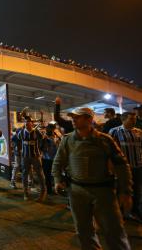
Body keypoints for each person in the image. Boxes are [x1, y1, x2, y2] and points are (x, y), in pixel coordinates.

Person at [53, 107, 132, 250]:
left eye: (78, 117)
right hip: (76, 192)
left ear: (89, 119)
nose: (73, 119)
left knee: (114, 231)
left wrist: (125, 191)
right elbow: (58, 162)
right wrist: (57, 180)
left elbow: (121, 165)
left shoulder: (105, 140)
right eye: (73, 117)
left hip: (103, 192)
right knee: (84, 232)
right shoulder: (67, 140)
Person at [109, 112, 142, 222]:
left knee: (137, 190)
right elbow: (110, 151)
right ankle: (121, 212)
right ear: (123, 120)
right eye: (131, 119)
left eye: (135, 119)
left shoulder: (138, 132)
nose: (134, 121)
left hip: (137, 166)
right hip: (123, 169)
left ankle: (134, 211)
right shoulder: (115, 131)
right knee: (122, 191)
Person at [17, 116, 47, 202]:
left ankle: (43, 192)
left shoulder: (36, 131)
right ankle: (26, 192)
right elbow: (18, 138)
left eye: (28, 122)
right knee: (24, 174)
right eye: (25, 122)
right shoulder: (22, 132)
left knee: (40, 174)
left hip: (35, 157)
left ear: (31, 123)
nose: (26, 123)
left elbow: (42, 138)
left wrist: (41, 151)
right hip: (25, 157)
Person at [40, 123, 60, 195]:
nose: (52, 130)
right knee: (47, 175)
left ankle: (55, 189)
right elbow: (40, 148)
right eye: (51, 129)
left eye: (53, 129)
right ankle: (49, 190)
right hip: (46, 159)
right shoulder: (44, 137)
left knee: (54, 175)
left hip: (54, 159)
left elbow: (58, 147)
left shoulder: (56, 137)